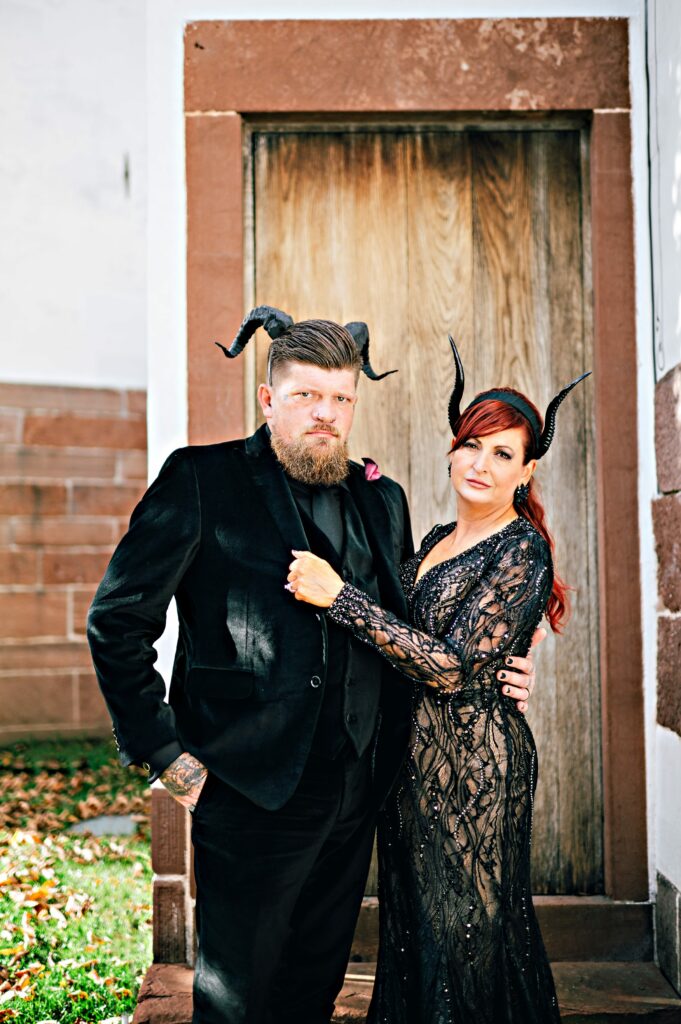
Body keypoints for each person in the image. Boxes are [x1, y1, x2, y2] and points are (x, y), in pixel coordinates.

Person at [86, 311, 540, 1024]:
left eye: (340, 399)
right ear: (268, 400)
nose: (325, 414)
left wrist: (499, 669)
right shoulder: (200, 479)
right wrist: (165, 754)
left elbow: (407, 628)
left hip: (359, 787)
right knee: (237, 998)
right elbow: (117, 621)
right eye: (306, 396)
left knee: (313, 986)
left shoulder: (379, 499)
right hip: (247, 786)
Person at [288, 337, 589, 1024]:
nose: (481, 464)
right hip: (408, 767)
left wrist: (338, 597)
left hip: (474, 767)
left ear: (526, 470)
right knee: (417, 936)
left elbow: (450, 669)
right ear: (453, 449)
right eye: (472, 445)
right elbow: (405, 643)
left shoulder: (521, 549)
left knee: (472, 939)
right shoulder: (429, 540)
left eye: (502, 453)